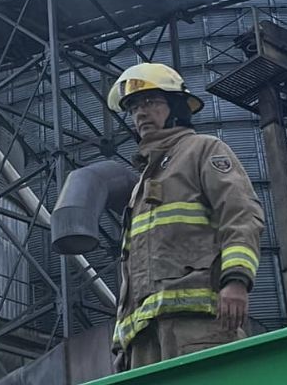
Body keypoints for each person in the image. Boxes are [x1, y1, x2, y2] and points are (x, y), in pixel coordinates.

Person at [107, 62, 265, 371]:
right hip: (144, 337)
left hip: (197, 326)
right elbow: (131, 268)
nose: (141, 113)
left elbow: (241, 216)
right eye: (135, 106)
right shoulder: (141, 185)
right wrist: (121, 342)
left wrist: (236, 282)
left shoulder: (202, 150)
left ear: (177, 105)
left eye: (151, 102)